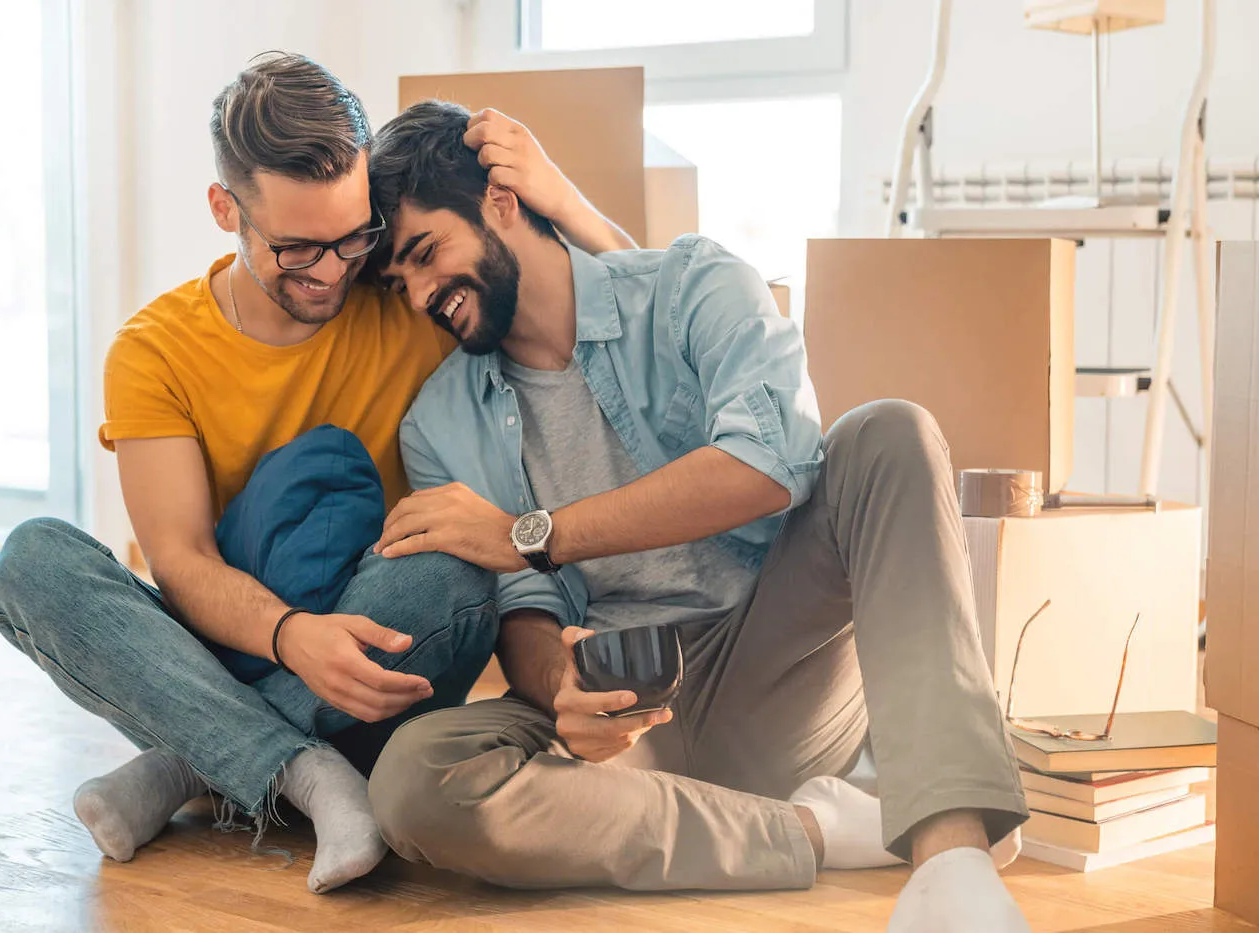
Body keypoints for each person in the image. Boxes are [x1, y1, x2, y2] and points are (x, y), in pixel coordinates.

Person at [360, 99, 1032, 932]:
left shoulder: (693, 285)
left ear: (501, 200)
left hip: (776, 669)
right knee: (413, 780)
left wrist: (532, 534)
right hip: (628, 722)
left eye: (427, 253)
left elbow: (770, 462)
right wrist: (562, 688)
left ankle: (953, 858)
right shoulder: (438, 422)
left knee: (890, 432)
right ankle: (823, 831)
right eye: (401, 283)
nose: (424, 292)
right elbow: (520, 608)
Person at [0, 54, 636, 895]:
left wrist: (564, 201)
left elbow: (618, 317)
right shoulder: (154, 351)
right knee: (31, 559)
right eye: (296, 248)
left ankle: (192, 766)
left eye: (351, 236)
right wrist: (294, 635)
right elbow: (180, 564)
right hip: (232, 647)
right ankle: (310, 773)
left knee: (450, 570)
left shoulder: (405, 287)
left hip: (379, 641)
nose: (332, 270)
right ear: (226, 210)